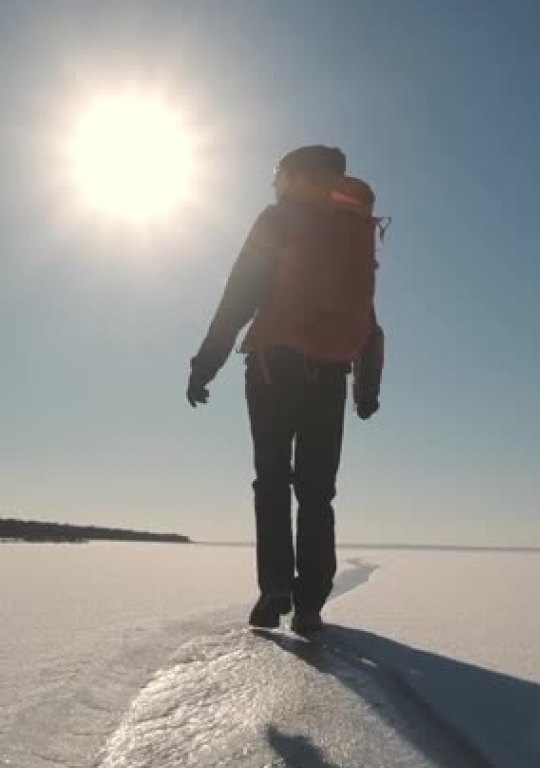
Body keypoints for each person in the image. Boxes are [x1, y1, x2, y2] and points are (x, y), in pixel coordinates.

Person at [187, 145, 385, 635]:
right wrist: (366, 388)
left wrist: (204, 365)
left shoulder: (278, 220)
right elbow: (368, 320)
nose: (275, 184)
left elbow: (238, 296)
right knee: (317, 492)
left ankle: (275, 588)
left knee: (272, 481)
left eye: (279, 176)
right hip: (333, 374)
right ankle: (312, 600)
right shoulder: (352, 230)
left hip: (273, 368)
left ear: (294, 177)